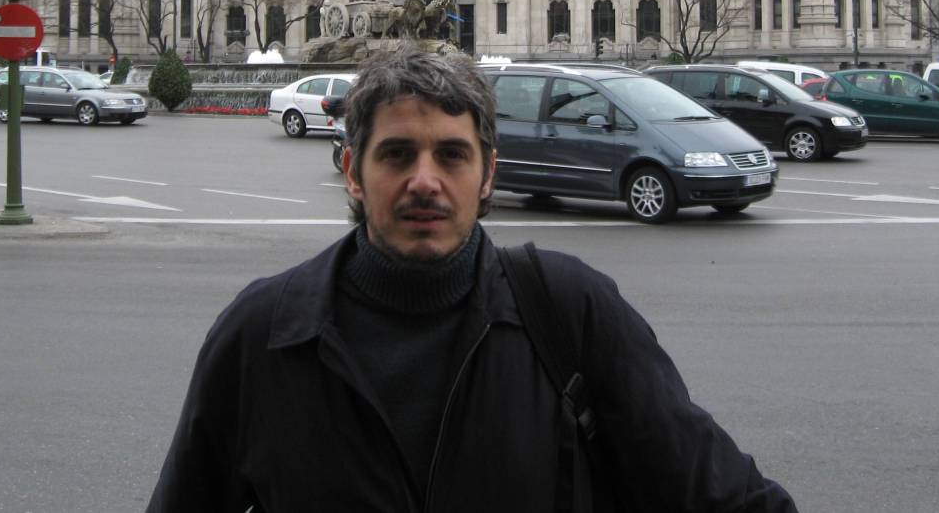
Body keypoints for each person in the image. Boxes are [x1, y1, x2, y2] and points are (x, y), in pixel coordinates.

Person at [147, 45, 798, 512]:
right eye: (397, 154)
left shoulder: (570, 314)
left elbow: (721, 495)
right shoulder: (261, 335)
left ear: (488, 174)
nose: (424, 180)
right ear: (351, 171)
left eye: (451, 155)